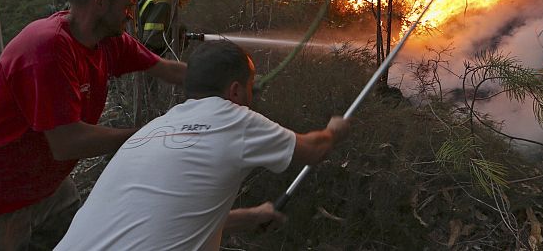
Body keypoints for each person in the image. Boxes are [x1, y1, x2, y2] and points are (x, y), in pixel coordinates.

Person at [0, 0, 188, 250]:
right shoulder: (47, 47)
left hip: (38, 185)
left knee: (72, 223)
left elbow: (165, 68)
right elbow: (67, 142)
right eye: (127, 7)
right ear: (100, 3)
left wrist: (215, 77)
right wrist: (150, 134)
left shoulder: (109, 43)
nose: (131, 15)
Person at [55, 40, 349, 250]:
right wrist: (334, 129)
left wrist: (249, 217)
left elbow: (167, 217)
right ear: (235, 91)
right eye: (250, 87)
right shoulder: (234, 119)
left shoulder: (153, 129)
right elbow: (314, 149)